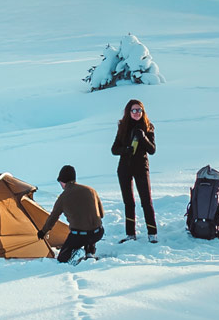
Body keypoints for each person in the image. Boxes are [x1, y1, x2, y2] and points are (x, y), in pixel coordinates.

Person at [111, 98, 157, 242]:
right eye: (134, 110)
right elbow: (114, 149)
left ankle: (152, 233)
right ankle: (130, 234)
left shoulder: (148, 126)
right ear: (128, 112)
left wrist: (143, 138)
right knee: (129, 202)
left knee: (146, 201)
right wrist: (126, 149)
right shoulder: (123, 127)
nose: (137, 113)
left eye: (139, 110)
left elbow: (152, 150)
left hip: (141, 168)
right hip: (125, 168)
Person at [39, 164, 104, 263]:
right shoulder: (91, 190)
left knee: (62, 258)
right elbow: (101, 214)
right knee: (90, 230)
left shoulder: (63, 197)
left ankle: (79, 253)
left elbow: (53, 217)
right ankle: (89, 250)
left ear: (63, 182)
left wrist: (43, 232)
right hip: (98, 233)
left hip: (79, 236)